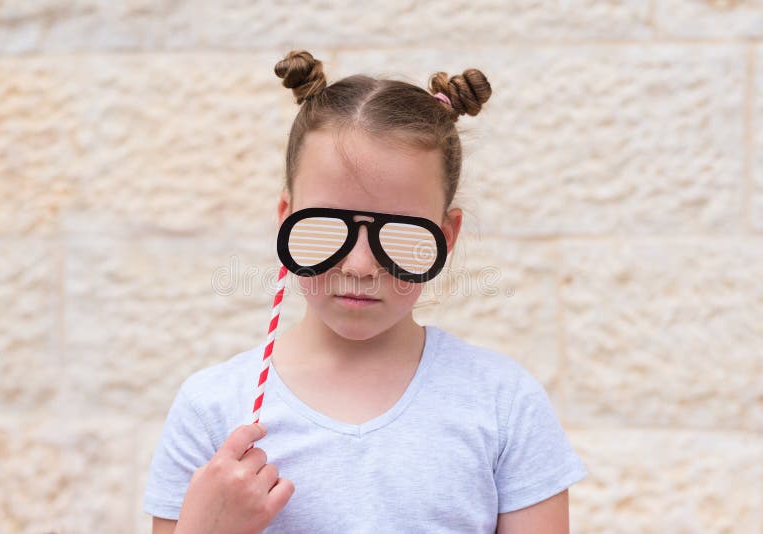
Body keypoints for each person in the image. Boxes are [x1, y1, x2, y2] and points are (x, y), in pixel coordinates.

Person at [143, 49, 588, 534]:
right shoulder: (213, 409)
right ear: (285, 218)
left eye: (401, 236)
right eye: (325, 227)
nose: (359, 266)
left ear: (446, 237)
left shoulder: (502, 404)